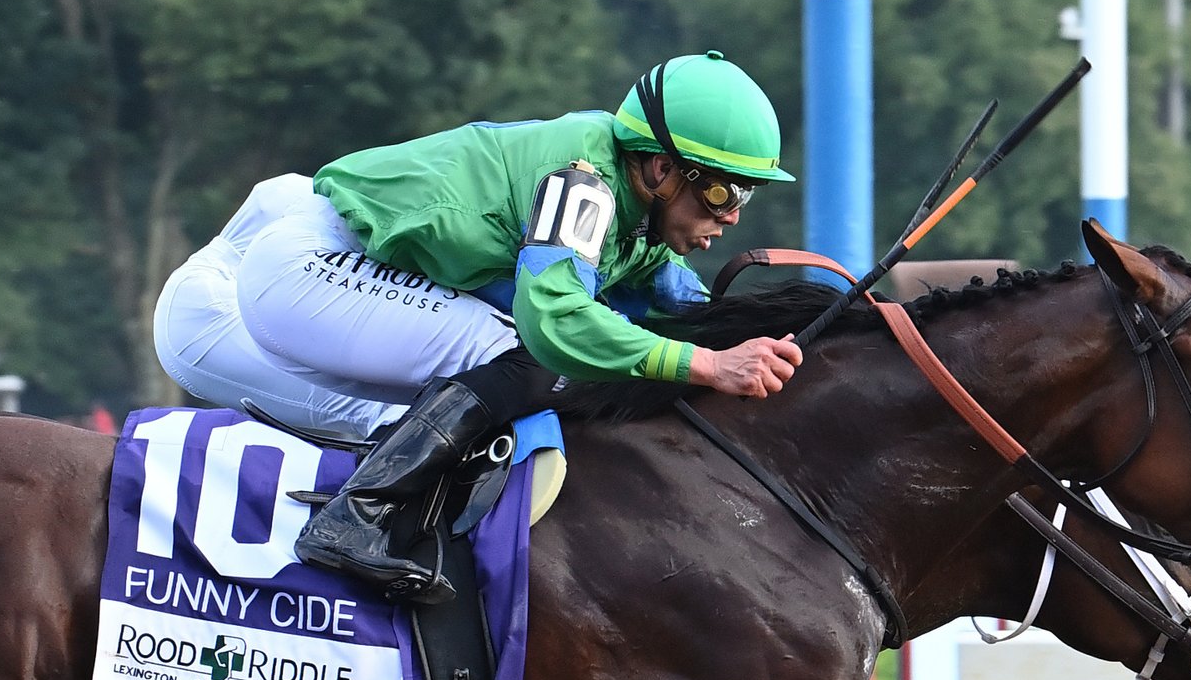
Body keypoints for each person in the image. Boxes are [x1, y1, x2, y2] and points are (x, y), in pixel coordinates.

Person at [152, 52, 805, 600]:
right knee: (526, 354)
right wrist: (709, 366)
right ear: (661, 168)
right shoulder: (582, 184)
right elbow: (557, 324)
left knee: (459, 409)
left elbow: (692, 316)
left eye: (746, 197)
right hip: (303, 268)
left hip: (304, 271)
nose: (732, 217)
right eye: (723, 192)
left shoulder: (639, 221)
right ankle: (353, 520)